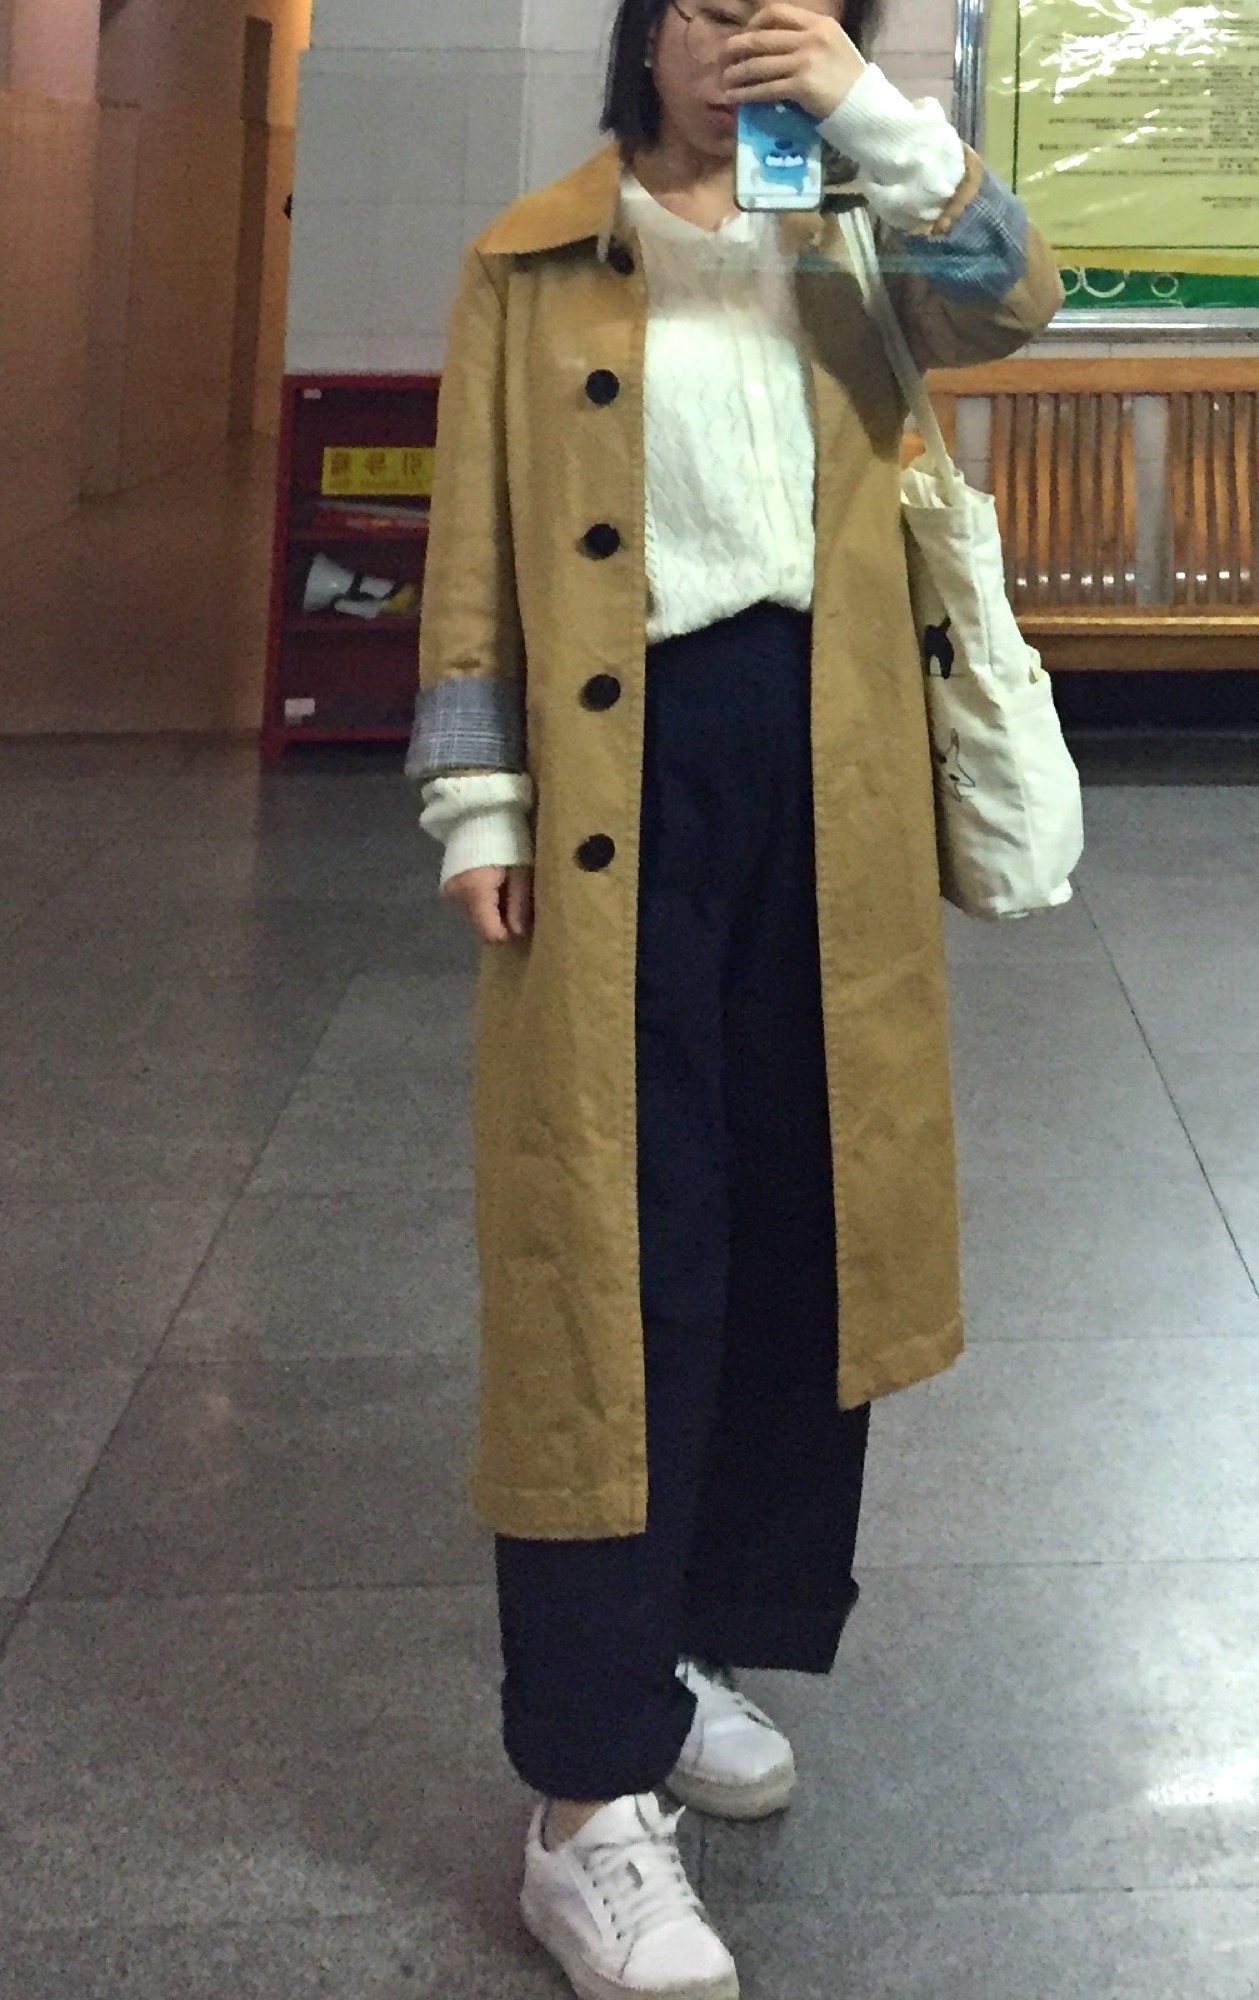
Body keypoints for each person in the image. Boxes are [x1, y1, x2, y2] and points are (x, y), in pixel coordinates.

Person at [407, 4, 1061, 1994]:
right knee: (616, 1257)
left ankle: (678, 1652)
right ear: (641, 32)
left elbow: (1015, 296)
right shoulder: (532, 255)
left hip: (831, 791)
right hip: (623, 792)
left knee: (800, 1226)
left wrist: (873, 112)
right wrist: (476, 795)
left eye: (785, 6)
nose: (737, 36)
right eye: (700, 1)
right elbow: (471, 552)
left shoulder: (852, 231)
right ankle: (584, 1803)